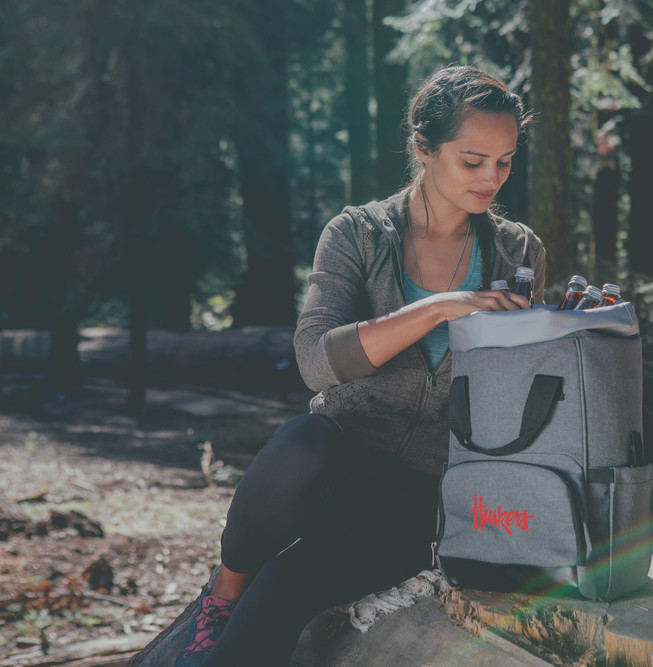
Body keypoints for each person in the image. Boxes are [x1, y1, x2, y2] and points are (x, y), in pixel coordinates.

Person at [128, 65, 545, 667]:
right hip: (331, 467)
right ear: (423, 149)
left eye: (504, 162)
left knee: (288, 587)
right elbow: (315, 362)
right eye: (472, 160)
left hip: (426, 495)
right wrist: (438, 309)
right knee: (303, 439)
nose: (491, 178)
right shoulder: (356, 234)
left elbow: (518, 390)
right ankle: (221, 596)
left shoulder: (516, 250)